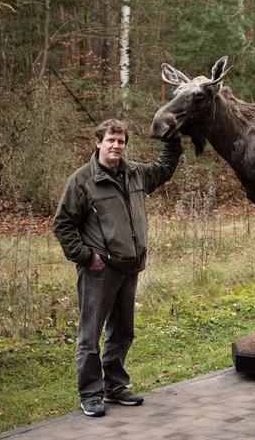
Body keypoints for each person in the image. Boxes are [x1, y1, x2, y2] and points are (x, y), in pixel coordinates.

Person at [54, 119, 182, 417]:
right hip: (99, 271)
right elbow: (63, 224)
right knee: (90, 335)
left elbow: (163, 170)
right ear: (98, 142)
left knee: (122, 332)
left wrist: (173, 142)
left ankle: (115, 386)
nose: (116, 146)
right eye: (110, 140)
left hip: (130, 267)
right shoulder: (82, 180)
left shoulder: (134, 173)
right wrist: (86, 257)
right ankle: (90, 394)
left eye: (121, 141)